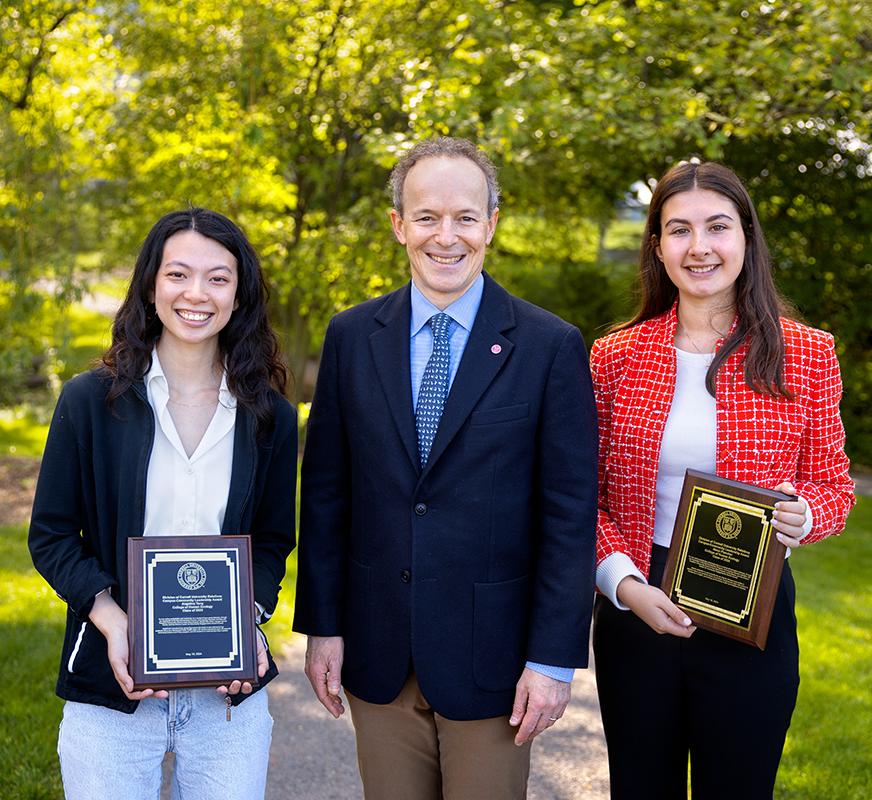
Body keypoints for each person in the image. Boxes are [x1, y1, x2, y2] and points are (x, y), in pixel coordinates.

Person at [293, 137, 598, 798]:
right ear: (399, 225)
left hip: (494, 663)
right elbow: (325, 496)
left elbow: (569, 516)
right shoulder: (350, 338)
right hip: (378, 654)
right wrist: (324, 626)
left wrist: (552, 659)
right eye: (427, 217)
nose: (446, 236)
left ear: (491, 224)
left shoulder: (550, 347)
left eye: (465, 217)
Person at [589, 161, 856, 799]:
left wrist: (806, 514)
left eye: (718, 227)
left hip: (752, 611)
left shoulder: (807, 356)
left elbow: (834, 487)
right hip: (638, 609)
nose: (700, 247)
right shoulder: (614, 358)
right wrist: (622, 583)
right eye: (679, 230)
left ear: (746, 239)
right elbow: (581, 498)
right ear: (657, 246)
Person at [29, 208, 297, 800]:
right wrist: (114, 622)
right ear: (151, 286)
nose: (196, 294)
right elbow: (50, 537)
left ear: (239, 293)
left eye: (218, 278)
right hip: (111, 687)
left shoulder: (270, 416)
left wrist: (247, 616)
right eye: (178, 274)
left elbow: (274, 541)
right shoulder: (90, 401)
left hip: (227, 698)